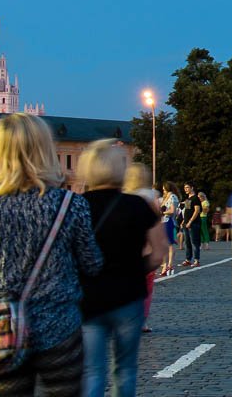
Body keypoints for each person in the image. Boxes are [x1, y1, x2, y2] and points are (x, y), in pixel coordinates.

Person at [0, 112, 104, 396]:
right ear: (45, 150)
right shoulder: (70, 204)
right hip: (58, 324)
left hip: (1, 327)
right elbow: (92, 264)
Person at [80, 141, 166, 397]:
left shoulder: (77, 205)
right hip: (129, 295)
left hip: (88, 298)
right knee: (126, 369)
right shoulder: (137, 205)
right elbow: (159, 252)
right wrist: (138, 269)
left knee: (93, 371)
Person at [122, 163, 160, 334]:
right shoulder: (151, 198)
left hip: (125, 250)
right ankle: (141, 320)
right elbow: (156, 223)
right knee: (146, 288)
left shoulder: (122, 197)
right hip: (146, 250)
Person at [179, 183, 202, 267]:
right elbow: (186, 211)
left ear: (192, 188)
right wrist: (183, 222)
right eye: (185, 188)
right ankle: (188, 259)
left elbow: (197, 211)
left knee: (194, 242)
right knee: (187, 242)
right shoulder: (187, 199)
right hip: (186, 223)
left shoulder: (196, 198)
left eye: (187, 187)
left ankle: (196, 260)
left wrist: (190, 222)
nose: (186, 189)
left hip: (194, 224)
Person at [158, 182, 179, 276]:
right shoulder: (166, 197)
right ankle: (166, 265)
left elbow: (172, 211)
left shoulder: (173, 197)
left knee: (169, 244)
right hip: (163, 221)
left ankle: (168, 265)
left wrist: (163, 213)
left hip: (168, 221)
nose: (163, 190)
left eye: (164, 189)